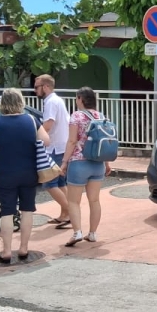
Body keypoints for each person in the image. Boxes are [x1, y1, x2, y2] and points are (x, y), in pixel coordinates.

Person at [0, 88, 48, 264]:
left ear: (2, 103)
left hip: (5, 173)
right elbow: (46, 140)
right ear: (20, 101)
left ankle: (6, 251)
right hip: (29, 172)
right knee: (27, 209)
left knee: (7, 211)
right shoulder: (31, 120)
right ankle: (24, 248)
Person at [61, 86, 110, 247]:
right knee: (94, 200)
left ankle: (77, 233)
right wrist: (106, 163)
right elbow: (104, 141)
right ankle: (93, 233)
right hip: (98, 163)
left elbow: (72, 141)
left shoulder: (76, 116)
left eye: (77, 98)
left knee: (73, 201)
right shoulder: (100, 116)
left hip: (78, 162)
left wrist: (64, 162)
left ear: (81, 99)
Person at [34, 75, 72, 229]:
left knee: (49, 183)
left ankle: (70, 211)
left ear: (46, 86)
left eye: (37, 87)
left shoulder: (50, 102)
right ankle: (65, 214)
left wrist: (36, 136)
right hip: (61, 146)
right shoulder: (57, 100)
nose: (35, 90)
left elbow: (48, 125)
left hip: (54, 147)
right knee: (61, 182)